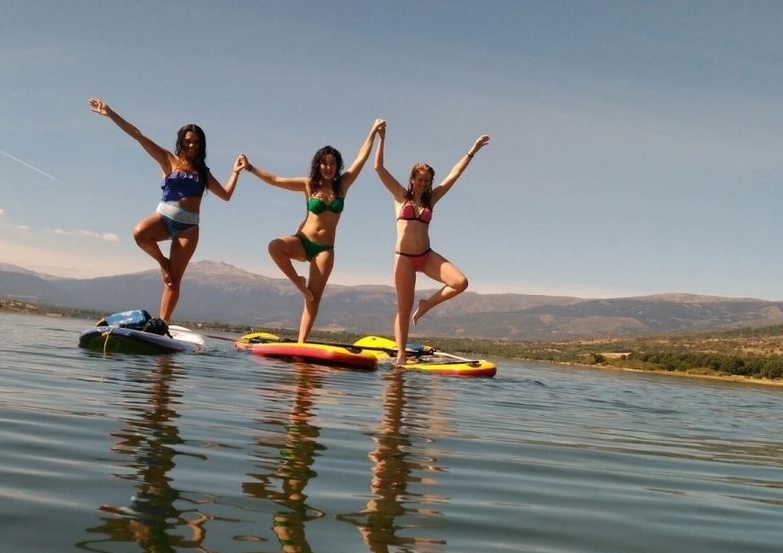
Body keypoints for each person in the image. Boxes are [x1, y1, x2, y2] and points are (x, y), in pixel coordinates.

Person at [88, 98, 245, 325]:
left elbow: (226, 195)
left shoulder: (203, 172)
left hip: (189, 228)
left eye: (197, 143)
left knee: (173, 282)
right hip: (164, 217)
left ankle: (161, 324)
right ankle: (163, 264)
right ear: (181, 141)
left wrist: (236, 172)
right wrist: (111, 113)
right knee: (139, 232)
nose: (192, 146)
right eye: (189, 141)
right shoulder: (168, 160)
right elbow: (137, 134)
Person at [239, 119, 385, 342]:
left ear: (337, 167)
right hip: (302, 240)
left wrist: (373, 131)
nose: (328, 168)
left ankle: (301, 342)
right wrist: (250, 168)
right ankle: (298, 283)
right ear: (318, 165)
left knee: (314, 297)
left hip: (324, 249)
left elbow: (361, 158)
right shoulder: (309, 185)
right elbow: (276, 180)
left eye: (332, 164)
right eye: (324, 163)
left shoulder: (342, 185)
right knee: (275, 246)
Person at [374, 124, 489, 366]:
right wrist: (381, 138)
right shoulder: (400, 196)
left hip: (425, 256)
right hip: (404, 258)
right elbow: (379, 168)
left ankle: (426, 304)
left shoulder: (432, 199)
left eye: (427, 180)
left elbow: (453, 176)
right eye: (420, 179)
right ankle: (402, 354)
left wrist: (472, 151)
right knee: (404, 309)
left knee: (460, 282)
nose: (424, 183)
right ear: (412, 179)